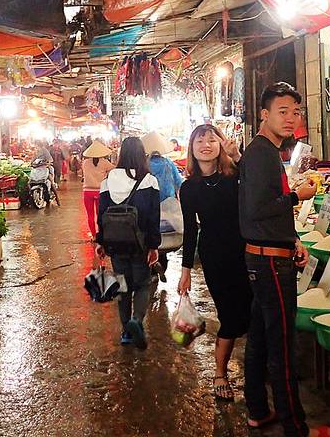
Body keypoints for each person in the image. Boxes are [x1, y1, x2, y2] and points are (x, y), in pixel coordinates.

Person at [239, 83, 330, 437]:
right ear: (264, 114)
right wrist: (298, 195)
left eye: (296, 112)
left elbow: (264, 212)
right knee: (282, 345)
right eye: (282, 111)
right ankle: (296, 428)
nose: (291, 118)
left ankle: (257, 410)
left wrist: (292, 239)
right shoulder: (262, 154)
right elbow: (258, 209)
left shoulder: (266, 151)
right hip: (269, 264)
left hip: (266, 256)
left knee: (261, 339)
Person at [177, 125, 251, 401]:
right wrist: (185, 271)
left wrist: (238, 156)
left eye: (212, 140)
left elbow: (259, 184)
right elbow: (190, 230)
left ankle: (257, 368)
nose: (206, 145)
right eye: (200, 140)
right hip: (214, 258)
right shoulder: (188, 188)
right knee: (229, 316)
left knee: (253, 312)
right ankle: (220, 373)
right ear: (192, 148)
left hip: (246, 252)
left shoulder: (234, 177)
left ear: (221, 146)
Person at [95, 137, 161, 349]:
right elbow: (153, 218)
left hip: (115, 244)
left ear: (121, 154)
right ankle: (136, 321)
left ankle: (126, 332)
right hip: (140, 244)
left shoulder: (107, 181)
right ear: (142, 155)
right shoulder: (149, 181)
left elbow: (101, 215)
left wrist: (100, 242)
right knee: (141, 285)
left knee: (122, 286)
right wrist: (154, 246)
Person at [141, 131, 183, 282]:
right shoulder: (168, 163)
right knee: (164, 238)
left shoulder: (144, 164)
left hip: (148, 205)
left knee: (150, 236)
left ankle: (152, 268)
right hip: (167, 204)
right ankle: (162, 264)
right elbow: (179, 182)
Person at [81, 140, 115, 239]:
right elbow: (114, 169)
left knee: (90, 215)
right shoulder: (104, 162)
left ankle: (94, 235)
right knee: (100, 214)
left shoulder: (85, 163)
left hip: (87, 192)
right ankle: (101, 234)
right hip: (100, 192)